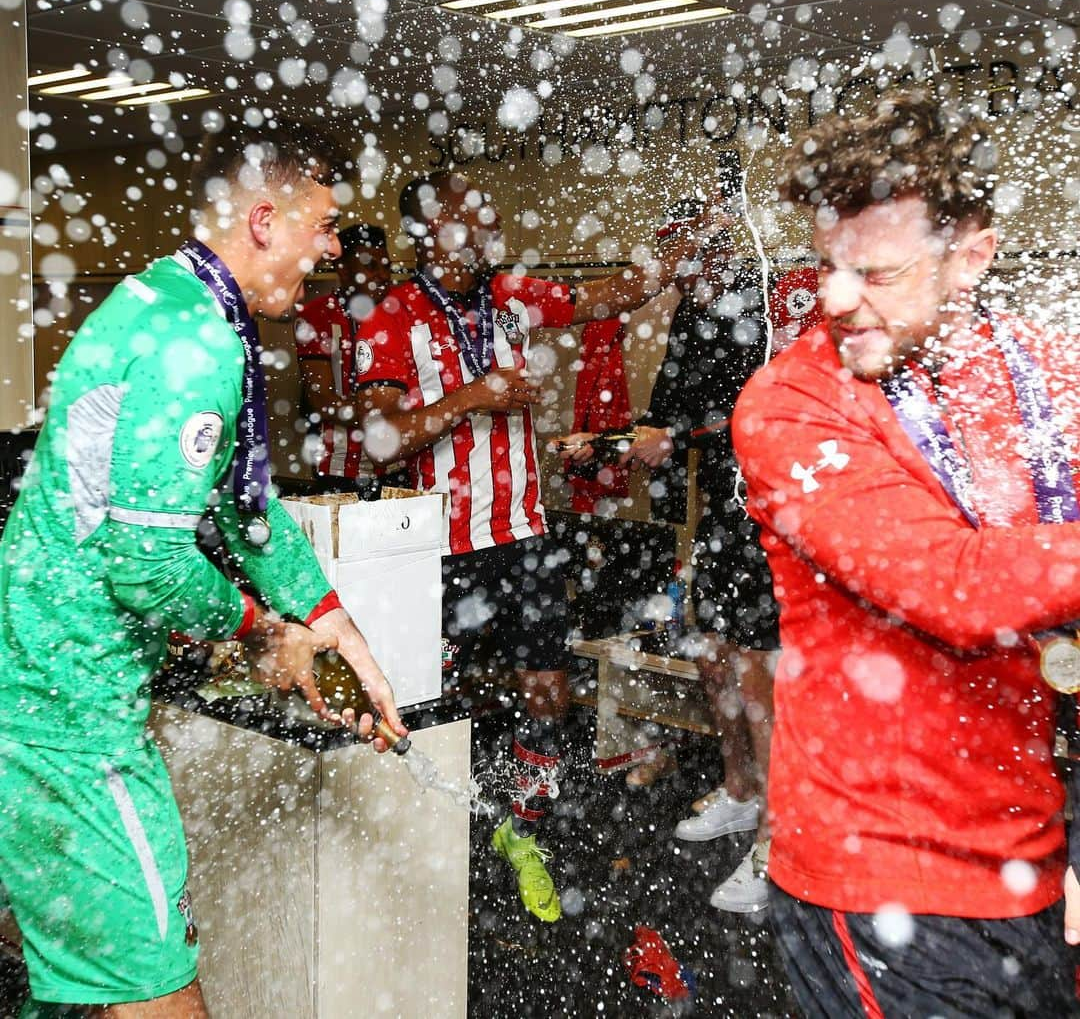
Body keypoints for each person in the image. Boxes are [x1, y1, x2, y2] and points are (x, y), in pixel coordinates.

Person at [0, 118, 405, 1017]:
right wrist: (261, 631)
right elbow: (145, 565)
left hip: (42, 694)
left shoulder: (174, 303)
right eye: (324, 225)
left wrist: (333, 624)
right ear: (264, 219)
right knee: (154, 992)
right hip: (75, 724)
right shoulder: (198, 346)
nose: (333, 250)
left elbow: (246, 507)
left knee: (77, 984)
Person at [732, 88, 1080, 1015]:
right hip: (877, 872)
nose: (836, 301)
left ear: (969, 258)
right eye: (826, 266)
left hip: (1033, 853)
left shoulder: (1046, 372)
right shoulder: (790, 404)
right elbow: (952, 586)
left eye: (877, 275)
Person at [353, 170, 728, 923]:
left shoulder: (508, 295)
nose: (489, 224)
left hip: (521, 533)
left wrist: (679, 253)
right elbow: (381, 438)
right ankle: (423, 840)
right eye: (471, 215)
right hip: (436, 546)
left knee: (546, 689)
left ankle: (524, 831)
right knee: (431, 698)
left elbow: (603, 298)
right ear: (431, 229)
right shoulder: (390, 316)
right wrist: (474, 398)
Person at [559, 206, 819, 915]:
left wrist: (675, 438)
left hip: (778, 518)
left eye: (694, 255)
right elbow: (669, 423)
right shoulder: (689, 314)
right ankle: (740, 790)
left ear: (722, 247)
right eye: (675, 258)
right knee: (712, 652)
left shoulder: (764, 305)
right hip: (725, 520)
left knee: (759, 673)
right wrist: (609, 444)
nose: (683, 272)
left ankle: (778, 843)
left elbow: (759, 413)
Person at [295, 223, 395, 494]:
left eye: (387, 266)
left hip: (397, 467)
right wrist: (389, 416)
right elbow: (322, 401)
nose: (383, 275)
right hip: (338, 468)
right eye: (371, 266)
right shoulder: (317, 316)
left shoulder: (400, 316)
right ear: (343, 269)